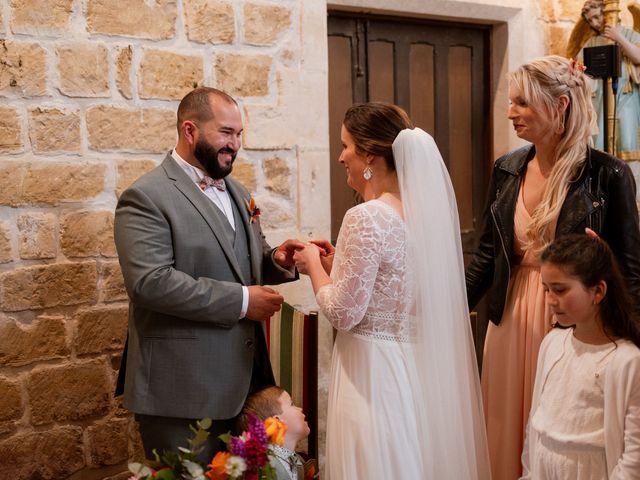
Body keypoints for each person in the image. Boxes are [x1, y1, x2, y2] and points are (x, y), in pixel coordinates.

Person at [465, 55, 640, 480]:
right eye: (511, 102)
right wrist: (445, 313)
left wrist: (629, 336)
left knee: (564, 433)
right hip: (509, 318)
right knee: (505, 432)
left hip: (573, 321)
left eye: (523, 103)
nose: (511, 113)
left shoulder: (607, 175)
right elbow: (487, 255)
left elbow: (630, 268)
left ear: (560, 105)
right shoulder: (507, 169)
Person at [293, 102, 490, 478]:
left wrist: (312, 266)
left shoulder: (366, 216)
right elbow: (392, 289)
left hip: (371, 371)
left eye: (346, 146)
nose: (340, 157)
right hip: (410, 368)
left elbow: (343, 312)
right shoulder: (423, 218)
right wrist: (340, 266)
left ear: (369, 155)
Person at [113, 87, 303, 462]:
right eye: (226, 133)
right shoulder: (145, 197)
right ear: (190, 131)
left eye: (239, 134)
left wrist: (278, 260)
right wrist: (244, 301)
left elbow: (240, 261)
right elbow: (150, 283)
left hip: (244, 382)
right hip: (181, 389)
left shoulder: (237, 189)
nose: (235, 144)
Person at [521, 234, 640, 479]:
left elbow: (634, 456)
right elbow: (535, 423)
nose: (550, 300)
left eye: (560, 289)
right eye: (546, 289)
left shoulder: (627, 361)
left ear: (597, 291)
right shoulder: (552, 343)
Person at [580, 0, 640, 161]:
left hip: (627, 96)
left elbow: (638, 57)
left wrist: (618, 37)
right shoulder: (591, 42)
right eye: (590, 20)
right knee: (602, 140)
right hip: (601, 99)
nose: (594, 22)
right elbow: (580, 71)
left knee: (627, 140)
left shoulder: (629, 35)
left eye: (597, 17)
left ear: (606, 14)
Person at [238, 386, 313, 480]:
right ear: (277, 421)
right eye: (292, 404)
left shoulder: (297, 462)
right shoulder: (263, 466)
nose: (300, 409)